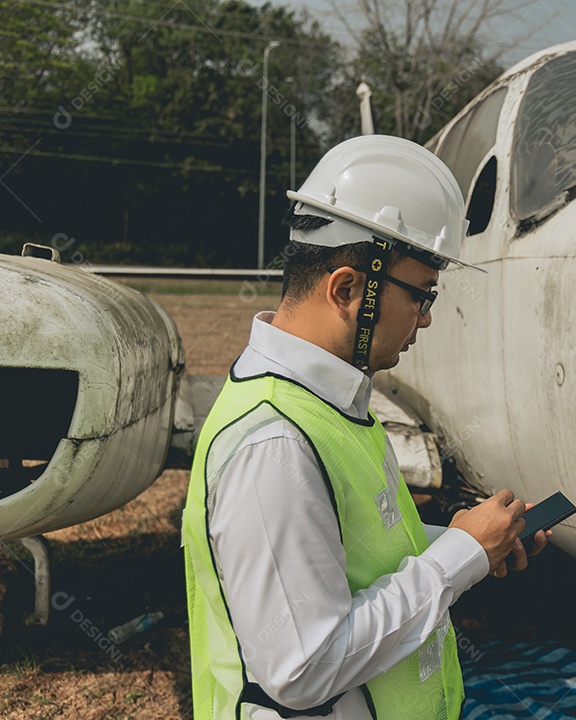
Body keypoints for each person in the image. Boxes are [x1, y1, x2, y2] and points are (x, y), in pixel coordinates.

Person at [182, 135, 547, 720]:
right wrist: (457, 559)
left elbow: (346, 558)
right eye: (422, 294)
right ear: (349, 288)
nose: (427, 318)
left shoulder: (326, 404)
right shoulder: (275, 443)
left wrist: (468, 540)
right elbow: (304, 666)